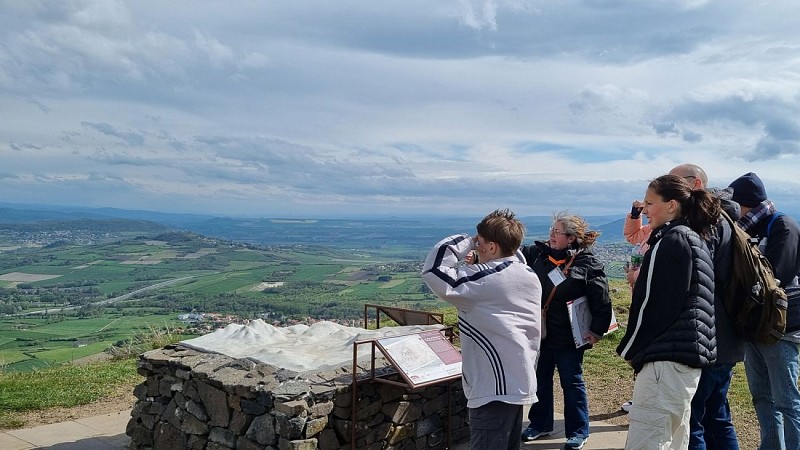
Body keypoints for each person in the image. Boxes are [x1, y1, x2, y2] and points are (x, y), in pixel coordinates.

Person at [421, 209, 543, 450]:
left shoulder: (485, 281)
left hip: (492, 389)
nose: (477, 247)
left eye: (481, 243)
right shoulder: (527, 274)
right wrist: (490, 249)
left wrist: (466, 241)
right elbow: (511, 261)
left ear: (493, 247)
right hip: (516, 380)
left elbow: (433, 271)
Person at [616, 174, 719, 449]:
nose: (645, 210)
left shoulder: (671, 240)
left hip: (665, 361)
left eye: (650, 203)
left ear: (671, 205)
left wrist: (630, 349)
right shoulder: (693, 237)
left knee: (648, 441)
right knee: (674, 440)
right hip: (685, 358)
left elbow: (653, 305)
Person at [519, 212, 613, 450]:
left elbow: (601, 300)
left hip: (570, 336)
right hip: (542, 333)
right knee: (540, 379)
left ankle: (578, 430)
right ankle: (540, 423)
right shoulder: (538, 255)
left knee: (571, 382)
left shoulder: (587, 263)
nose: (551, 235)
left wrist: (597, 331)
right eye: (551, 230)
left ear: (571, 238)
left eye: (556, 232)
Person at [728, 172, 800, 450]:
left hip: (779, 325)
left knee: (787, 400)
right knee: (761, 396)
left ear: (745, 203)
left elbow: (779, 273)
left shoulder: (781, 224)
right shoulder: (747, 230)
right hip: (752, 325)